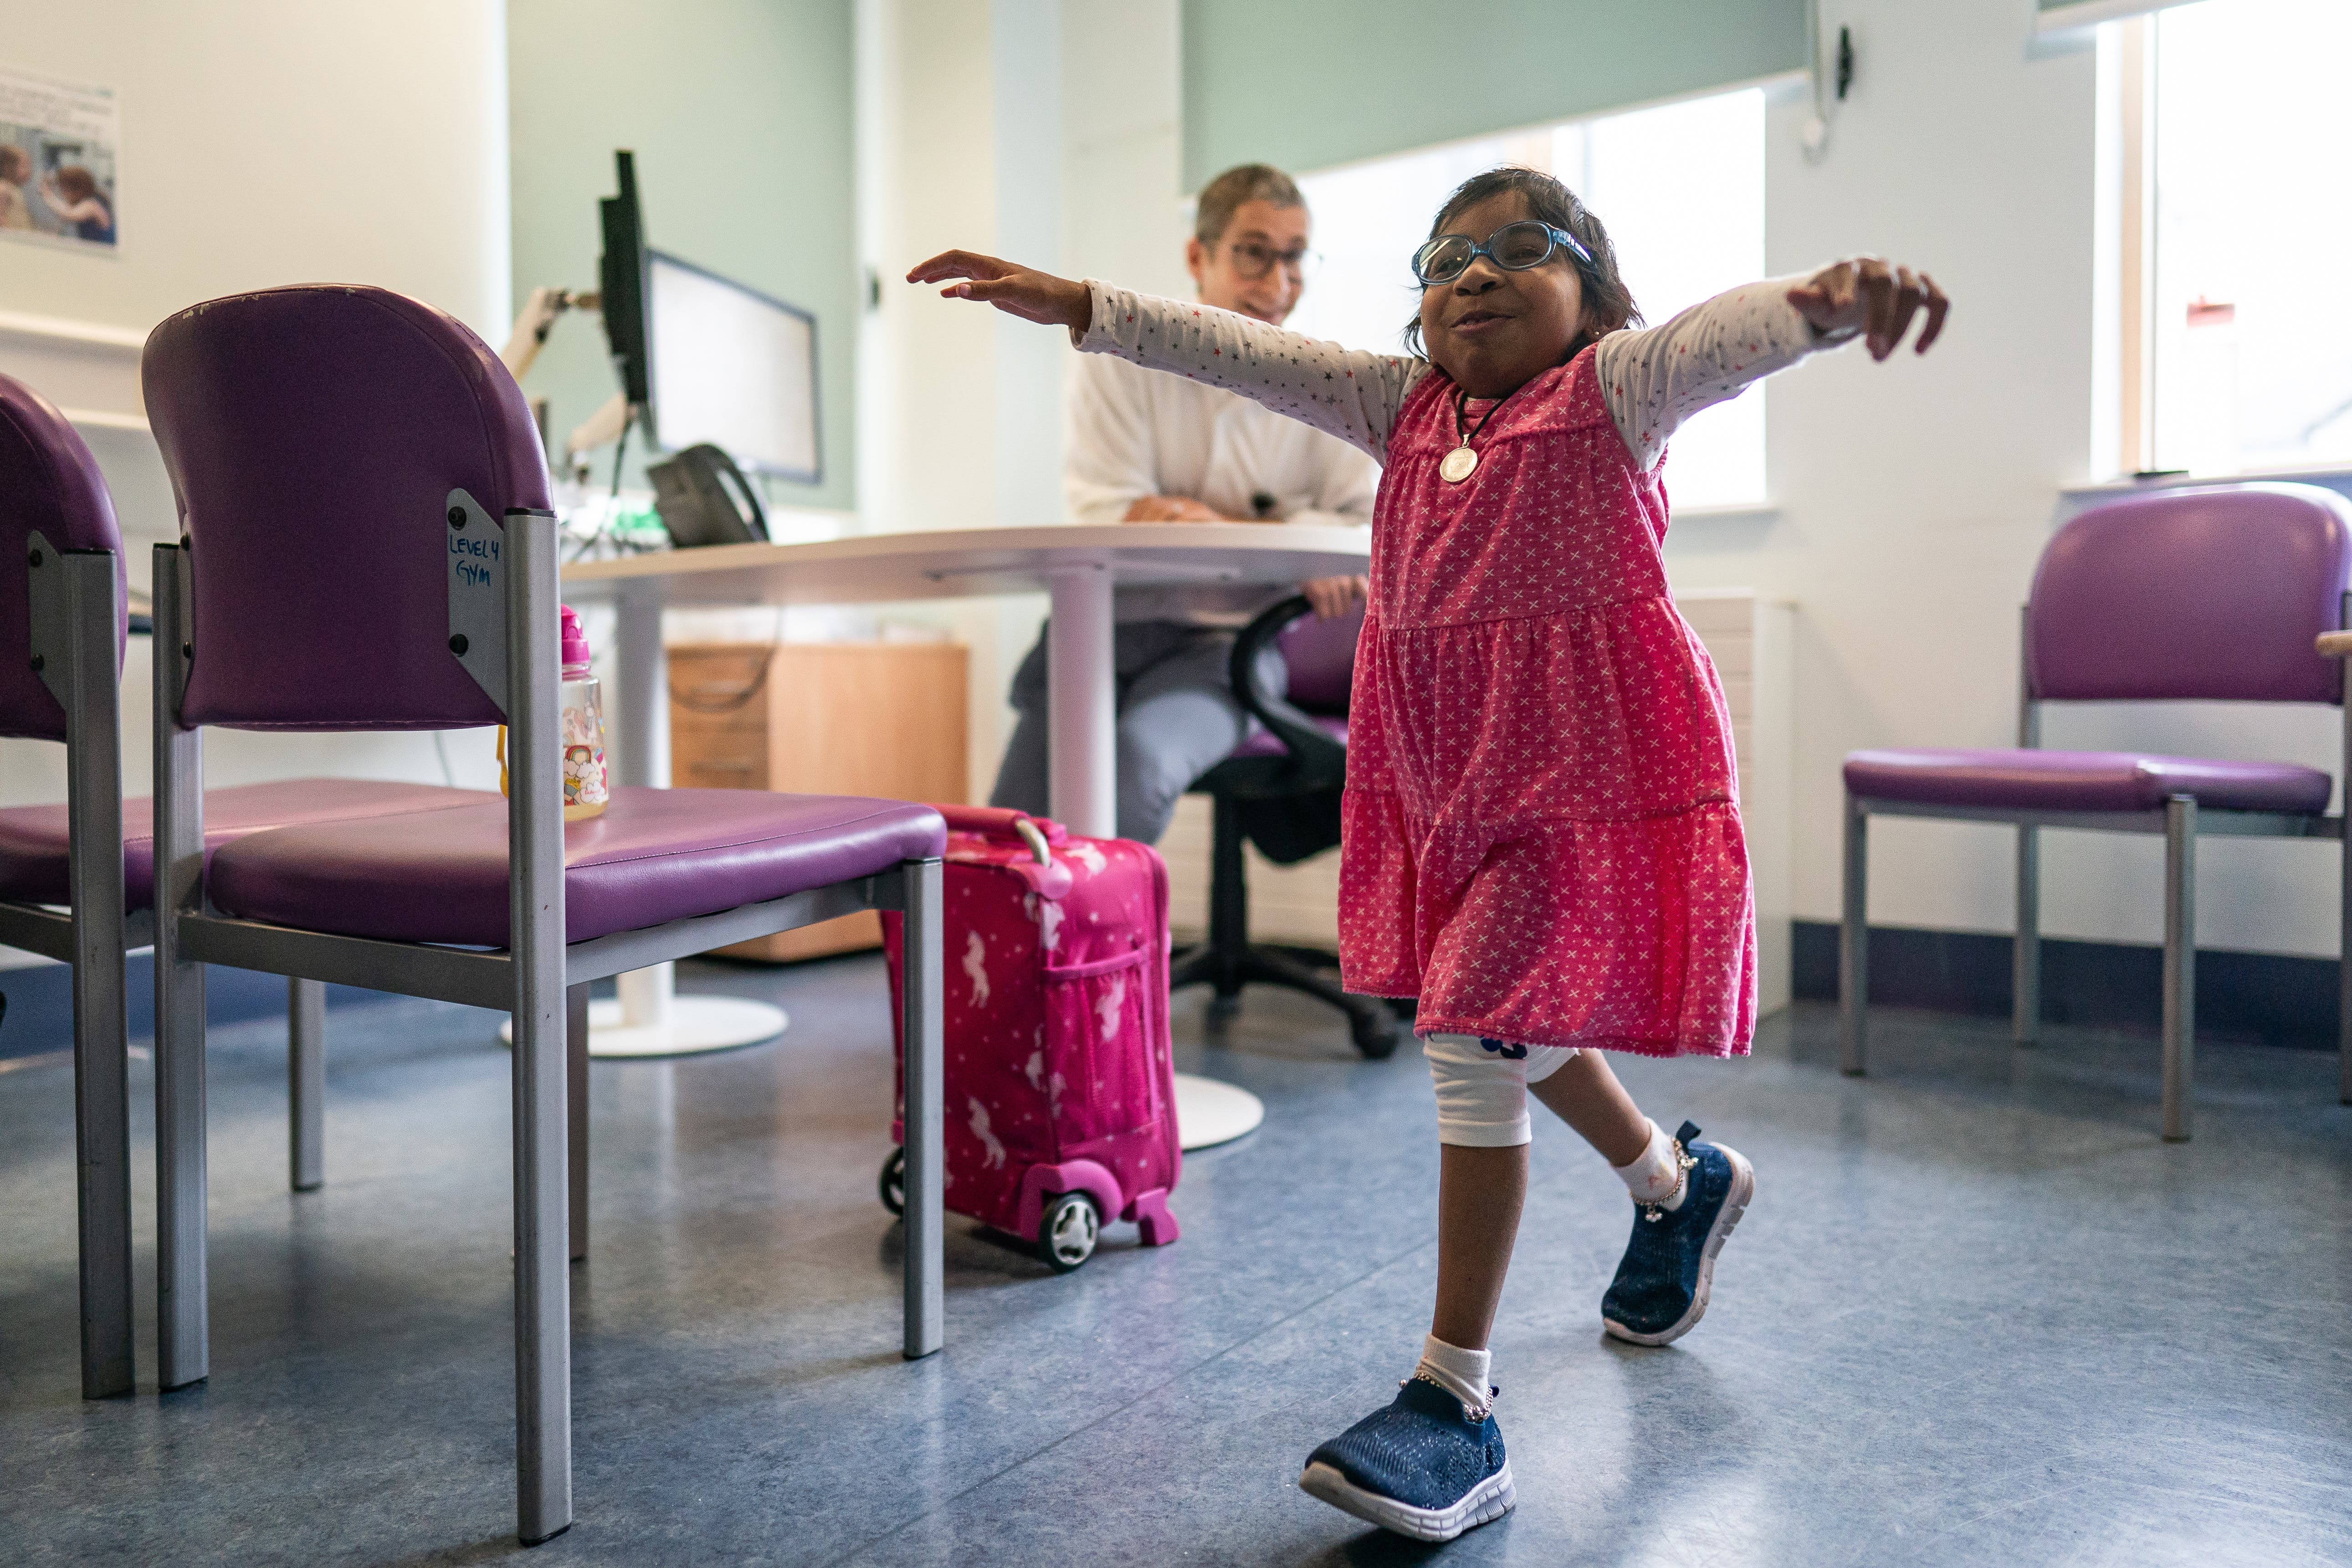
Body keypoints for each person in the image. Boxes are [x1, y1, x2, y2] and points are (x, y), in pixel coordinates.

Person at [912, 165, 1948, 1542]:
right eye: (1444, 254)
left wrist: (1823, 305)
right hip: (1444, 779)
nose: (1473, 271)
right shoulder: (1390, 407)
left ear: (1590, 290)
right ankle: (1671, 1181)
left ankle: (1452, 1398)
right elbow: (1236, 345)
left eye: (1521, 248)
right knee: (1494, 1013)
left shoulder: (1611, 392)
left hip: (1584, 778)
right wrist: (1084, 306)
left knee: (1465, 1034)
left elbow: (1723, 336)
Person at [987, 163, 1377, 846]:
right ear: (1198, 255)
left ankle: (1104, 952)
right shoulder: (1121, 356)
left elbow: (1360, 532)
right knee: (1010, 824)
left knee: (1133, 765)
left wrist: (1207, 523)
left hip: (1231, 647)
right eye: (1255, 252)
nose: (1278, 280)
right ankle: (1012, 956)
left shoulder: (1330, 379)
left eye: (1293, 257)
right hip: (1102, 633)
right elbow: (1111, 511)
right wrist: (1279, 539)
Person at [41, 165, 114, 245]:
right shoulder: (80, 203)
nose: (63, 194)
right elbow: (63, 217)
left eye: (65, 191)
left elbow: (68, 214)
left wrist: (47, 193)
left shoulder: (91, 204)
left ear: (78, 190)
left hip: (108, 247)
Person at [0, 145, 34, 231]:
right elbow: (1, 217)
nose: (29, 171)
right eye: (24, 166)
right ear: (7, 168)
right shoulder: (3, 189)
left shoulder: (13, 189)